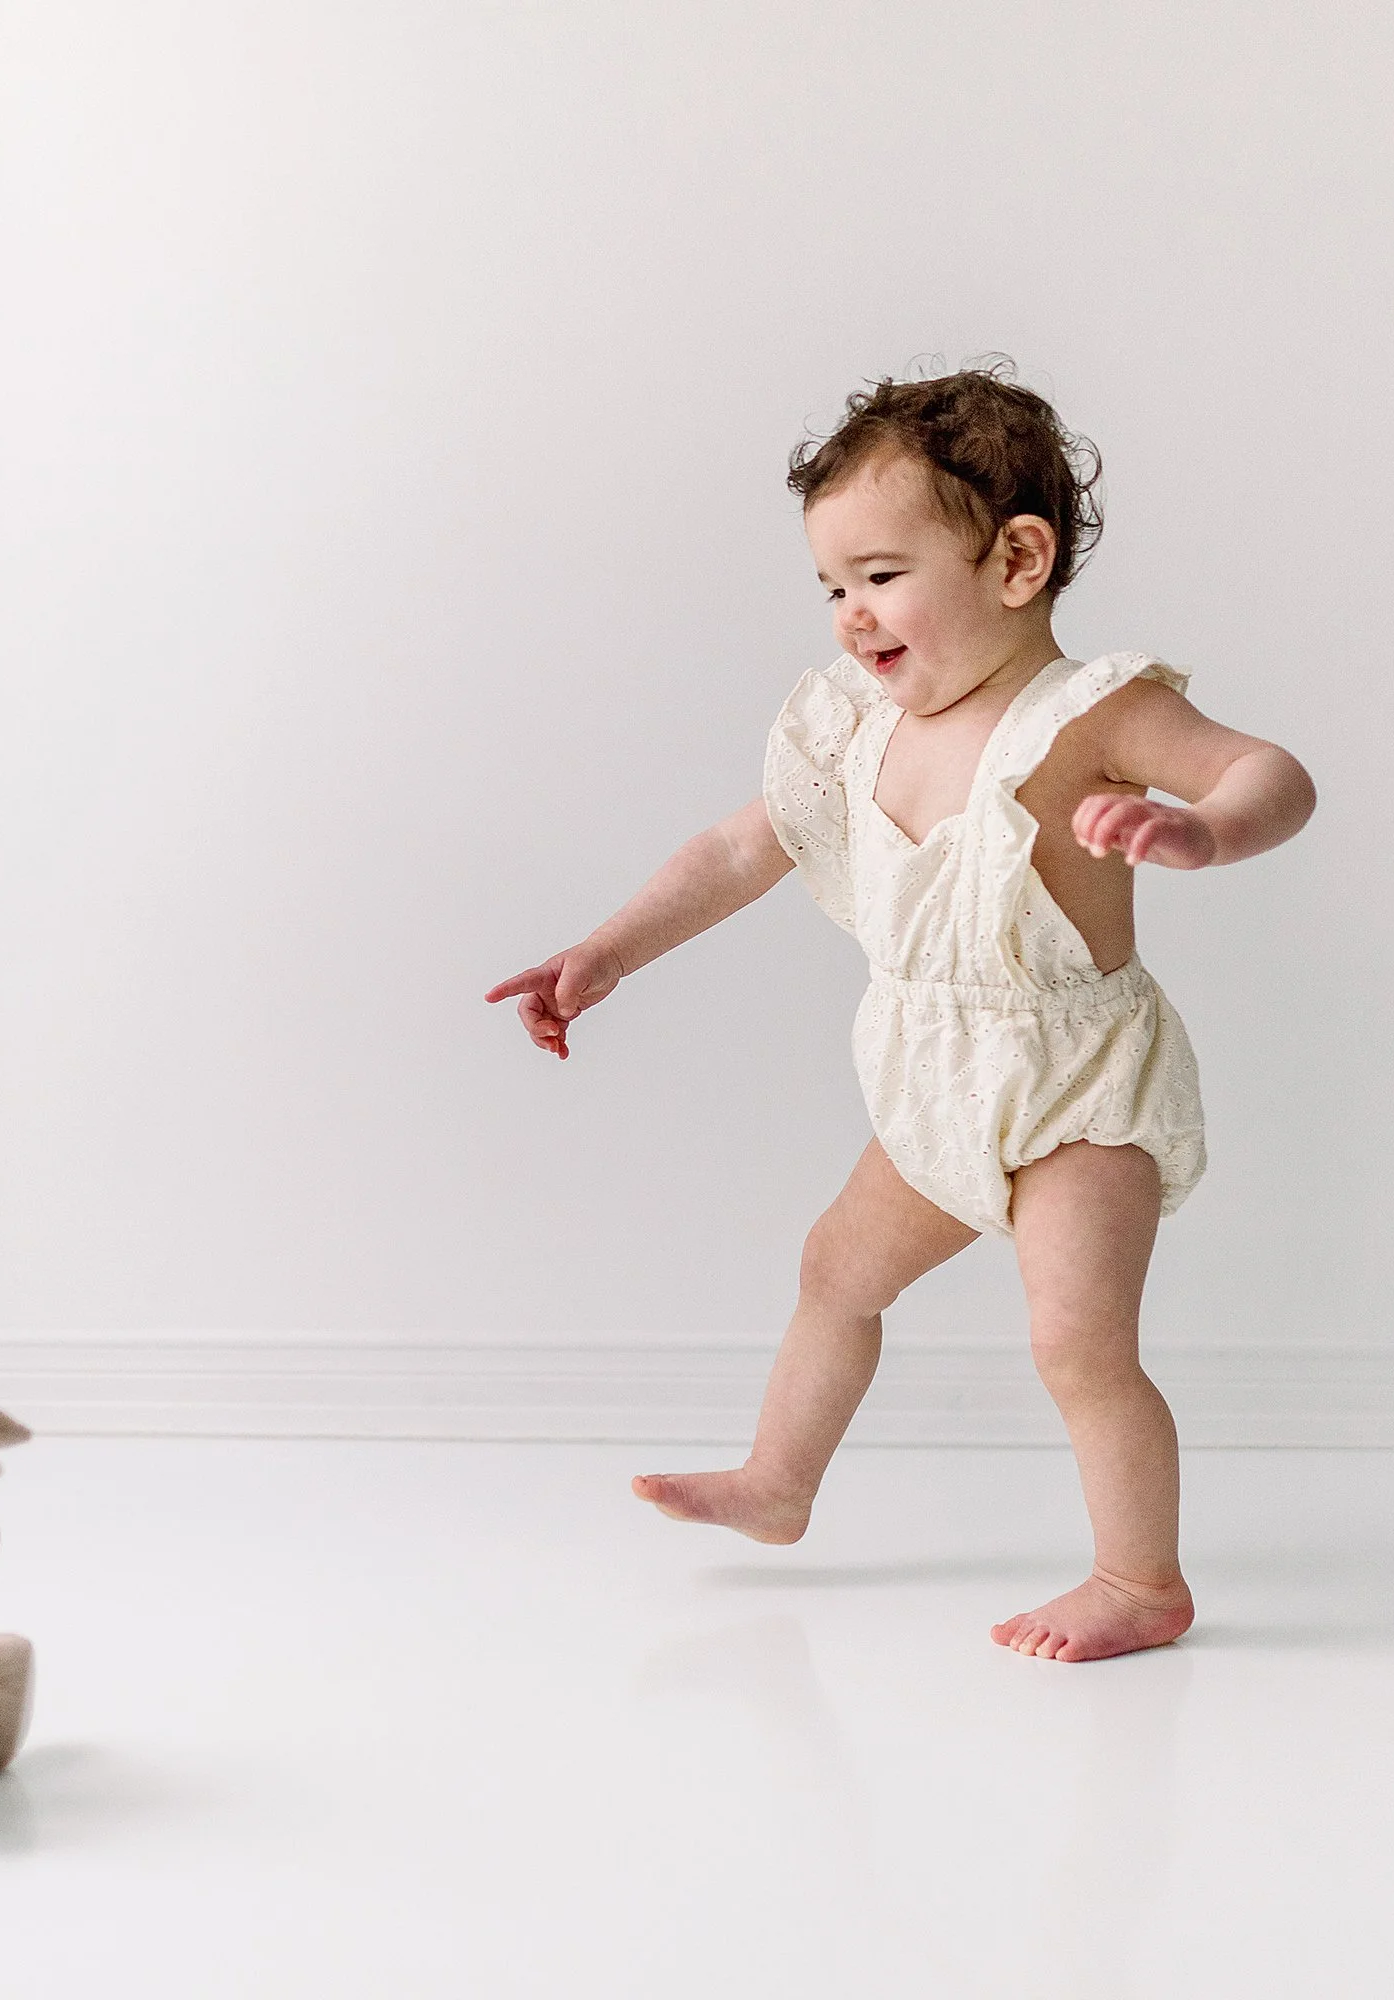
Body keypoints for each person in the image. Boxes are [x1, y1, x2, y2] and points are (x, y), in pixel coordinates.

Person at [486, 365, 1316, 1662]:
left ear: (1017, 561)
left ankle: (1139, 1580)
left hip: (1075, 1084)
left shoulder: (1092, 716)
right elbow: (734, 850)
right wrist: (605, 953)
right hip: (939, 1074)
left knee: (1077, 1342)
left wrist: (1200, 827)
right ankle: (779, 1480)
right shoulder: (865, 730)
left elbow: (1271, 771)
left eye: (879, 574)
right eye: (830, 585)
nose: (849, 615)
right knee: (836, 1272)